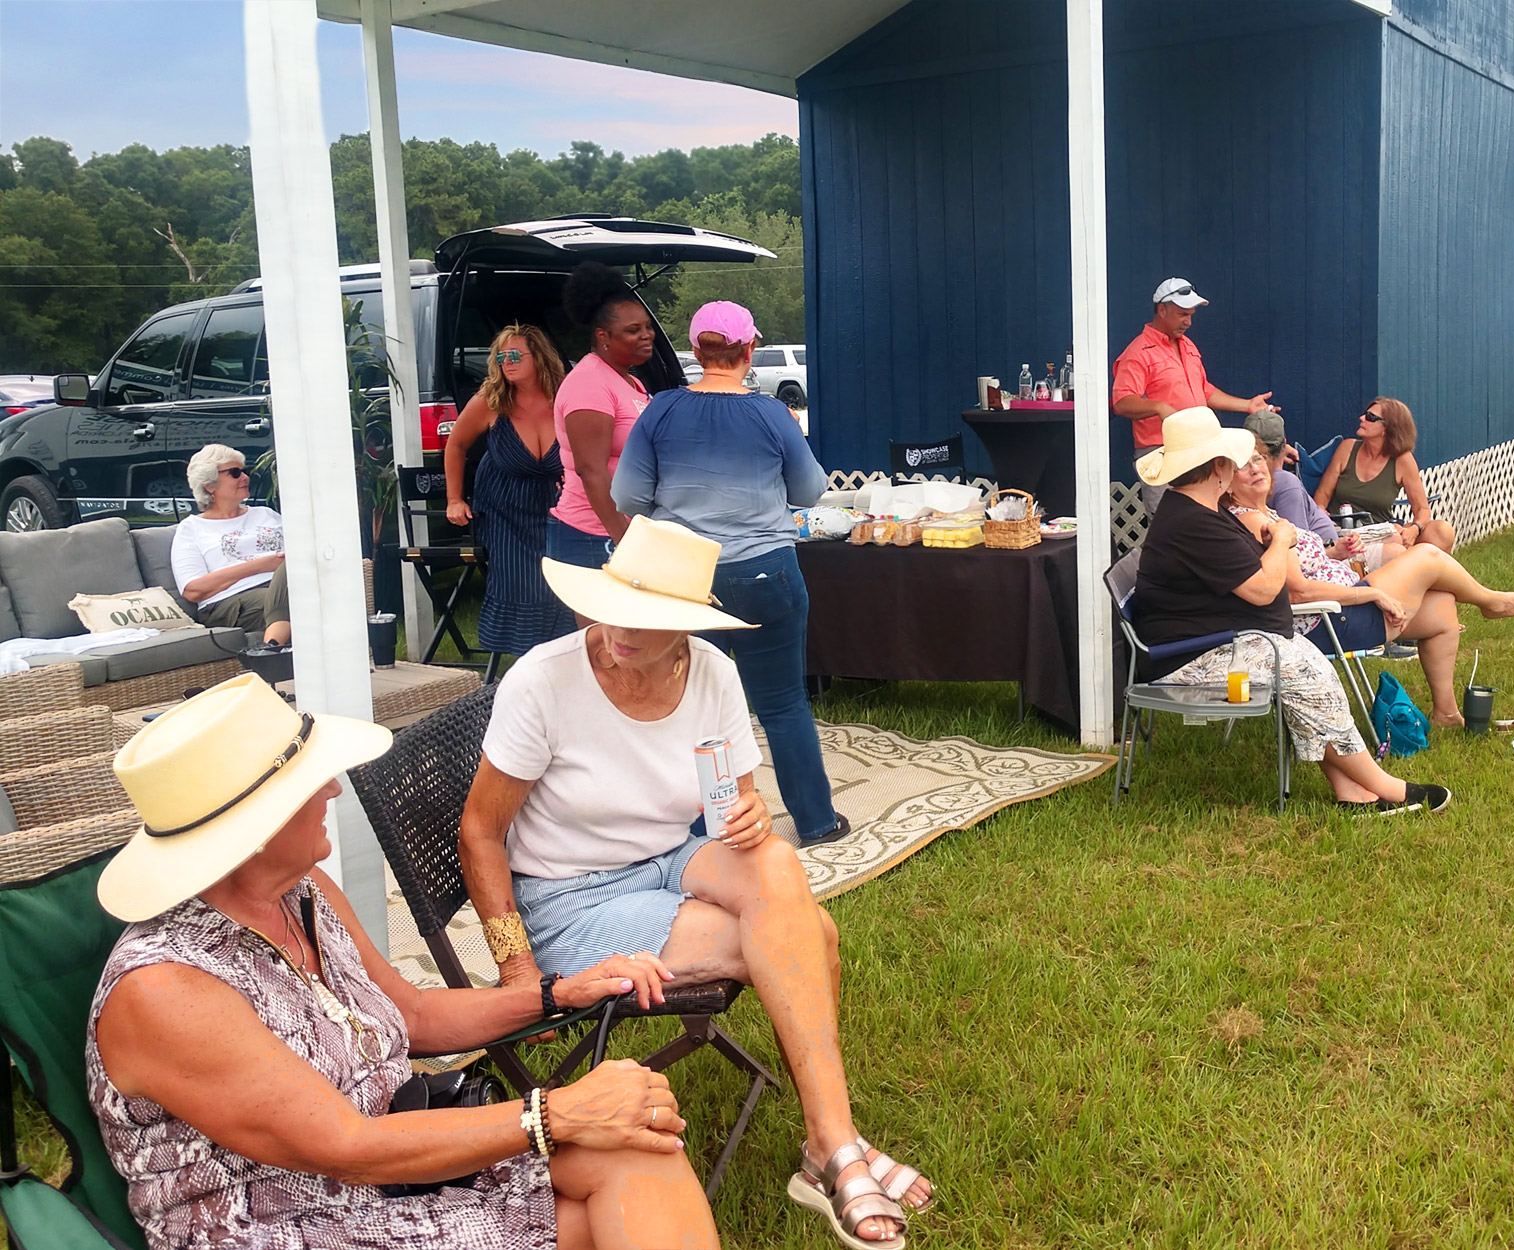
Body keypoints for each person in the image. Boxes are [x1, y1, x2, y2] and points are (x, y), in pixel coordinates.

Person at [87, 672, 721, 1249]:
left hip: (395, 1159)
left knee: (641, 1145)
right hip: (284, 1221)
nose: (334, 788)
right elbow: (344, 1146)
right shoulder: (165, 989)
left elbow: (410, 1014)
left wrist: (556, 993)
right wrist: (556, 1112)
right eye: (313, 780)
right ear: (253, 826)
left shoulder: (305, 892)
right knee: (606, 1210)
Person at [460, 517, 930, 1249]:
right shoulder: (544, 681)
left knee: (775, 866)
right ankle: (834, 1148)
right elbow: (480, 831)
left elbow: (732, 813)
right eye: (616, 605)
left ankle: (828, 1144)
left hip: (672, 854)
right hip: (573, 896)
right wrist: (519, 969)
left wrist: (747, 815)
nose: (621, 628)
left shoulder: (709, 669)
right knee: (814, 935)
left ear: (685, 625)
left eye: (648, 620)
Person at [1134, 408, 1458, 813]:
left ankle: (1353, 794)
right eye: (1231, 460)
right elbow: (1264, 588)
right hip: (1189, 657)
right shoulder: (1193, 523)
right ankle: (1389, 788)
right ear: (1217, 468)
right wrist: (1281, 539)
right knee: (1302, 670)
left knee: (1304, 665)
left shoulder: (1201, 512)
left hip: (1219, 642)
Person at [611, 301, 846, 848]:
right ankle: (816, 822)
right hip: (766, 572)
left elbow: (627, 496)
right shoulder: (771, 413)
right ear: (749, 351)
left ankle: (696, 830)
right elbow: (810, 492)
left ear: (695, 352)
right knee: (783, 701)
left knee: (690, 703)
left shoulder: (661, 409)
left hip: (684, 577)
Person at [1223, 450, 1514, 726]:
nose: (1255, 468)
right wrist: (1373, 593)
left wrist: (1334, 553)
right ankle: (1491, 601)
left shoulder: (1268, 515)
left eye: (1258, 458)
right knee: (1427, 555)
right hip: (1326, 621)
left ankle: (1447, 714)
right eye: (1242, 465)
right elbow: (1297, 592)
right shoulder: (1254, 521)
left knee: (1442, 609)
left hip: (1339, 607)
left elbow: (1298, 567)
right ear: (1224, 479)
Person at [444, 324, 573, 657]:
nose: (507, 362)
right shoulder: (491, 401)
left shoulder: (565, 396)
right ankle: (525, 657)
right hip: (504, 509)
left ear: (539, 357)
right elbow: (456, 444)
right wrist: (455, 499)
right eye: (501, 357)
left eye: (515, 355)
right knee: (524, 581)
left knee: (561, 578)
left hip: (555, 507)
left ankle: (561, 654)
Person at [1112, 277, 1278, 515]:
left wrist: (1247, 405)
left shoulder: (1187, 345)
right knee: (1168, 524)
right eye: (1182, 314)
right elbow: (1122, 402)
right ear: (1161, 309)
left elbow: (1204, 390)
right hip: (1162, 452)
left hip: (1200, 449)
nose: (1188, 321)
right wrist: (1159, 407)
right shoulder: (1138, 352)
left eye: (1190, 315)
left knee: (1204, 517)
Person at [549, 261, 653, 577]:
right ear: (603, 336)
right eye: (633, 331)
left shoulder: (630, 382)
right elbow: (591, 470)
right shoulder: (589, 384)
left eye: (647, 326)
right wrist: (624, 540)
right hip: (594, 535)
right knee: (604, 630)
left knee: (634, 628)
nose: (647, 335)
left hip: (626, 530)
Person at [171, 444, 290, 644]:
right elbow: (192, 590)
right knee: (301, 596)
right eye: (235, 473)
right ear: (209, 485)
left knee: (298, 577)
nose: (245, 477)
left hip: (287, 584)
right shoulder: (191, 528)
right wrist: (260, 566)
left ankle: (271, 650)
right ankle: (273, 651)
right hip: (230, 601)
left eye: (245, 471)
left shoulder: (266, 514)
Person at [1312, 398, 1457, 559]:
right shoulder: (1347, 448)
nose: (1361, 418)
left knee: (1441, 531)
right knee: (1395, 539)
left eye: (1370, 417)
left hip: (1380, 530)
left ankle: (1431, 576)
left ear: (1387, 429)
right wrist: (1320, 512)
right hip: (1344, 532)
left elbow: (1422, 509)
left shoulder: (1403, 461)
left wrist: (1413, 530)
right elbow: (1322, 494)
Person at [1240, 409, 1342, 545]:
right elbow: (1296, 546)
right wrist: (1335, 552)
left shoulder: (1241, 479)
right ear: (1284, 443)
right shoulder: (1285, 483)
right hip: (1327, 555)